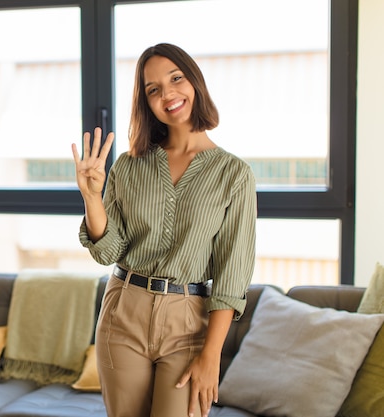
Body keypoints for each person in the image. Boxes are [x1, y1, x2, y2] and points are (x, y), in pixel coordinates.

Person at [71, 43, 256, 417]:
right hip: (124, 311)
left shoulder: (234, 174)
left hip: (188, 322)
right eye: (153, 89)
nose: (168, 94)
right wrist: (92, 197)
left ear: (195, 83)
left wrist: (211, 355)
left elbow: (232, 274)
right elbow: (108, 251)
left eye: (176, 79)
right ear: (146, 102)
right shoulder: (128, 165)